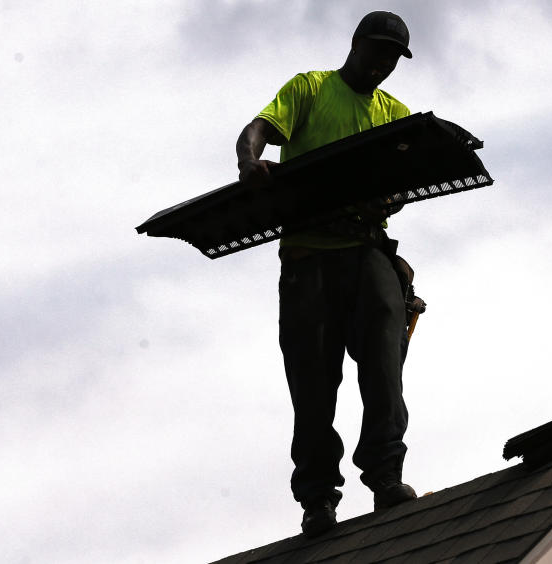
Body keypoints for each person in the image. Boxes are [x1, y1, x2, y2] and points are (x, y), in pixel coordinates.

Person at [235, 11, 418, 537]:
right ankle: (318, 499)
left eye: (393, 58)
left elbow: (405, 182)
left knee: (384, 370)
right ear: (355, 45)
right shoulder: (311, 89)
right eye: (378, 51)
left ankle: (386, 478)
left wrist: (391, 197)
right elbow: (259, 130)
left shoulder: (394, 112)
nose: (384, 64)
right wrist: (250, 159)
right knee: (313, 386)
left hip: (368, 251)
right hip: (308, 257)